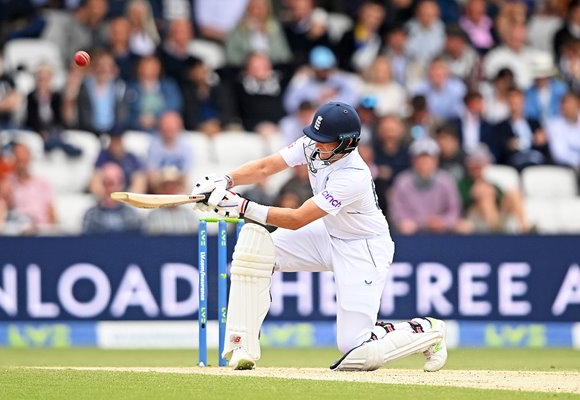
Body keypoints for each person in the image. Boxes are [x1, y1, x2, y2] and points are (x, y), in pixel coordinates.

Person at [190, 102, 447, 371]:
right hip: (327, 231)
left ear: (347, 143)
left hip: (363, 247)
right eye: (315, 137)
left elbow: (298, 218)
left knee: (357, 352)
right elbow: (267, 167)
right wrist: (226, 181)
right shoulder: (314, 144)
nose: (316, 144)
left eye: (325, 141)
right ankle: (242, 346)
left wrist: (242, 207)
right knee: (255, 249)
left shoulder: (353, 176)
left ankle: (426, 331)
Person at [389, 138, 465, 234]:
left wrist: (443, 222)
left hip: (442, 231)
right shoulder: (402, 181)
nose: (424, 162)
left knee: (464, 227)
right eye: (420, 158)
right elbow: (397, 213)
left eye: (428, 158)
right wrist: (420, 222)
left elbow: (454, 210)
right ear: (413, 161)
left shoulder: (446, 180)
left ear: (436, 160)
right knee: (405, 227)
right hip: (413, 231)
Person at [83, 162, 142, 234]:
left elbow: (138, 241)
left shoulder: (132, 216)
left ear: (121, 185)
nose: (109, 189)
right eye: (105, 183)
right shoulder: (91, 215)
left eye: (112, 184)